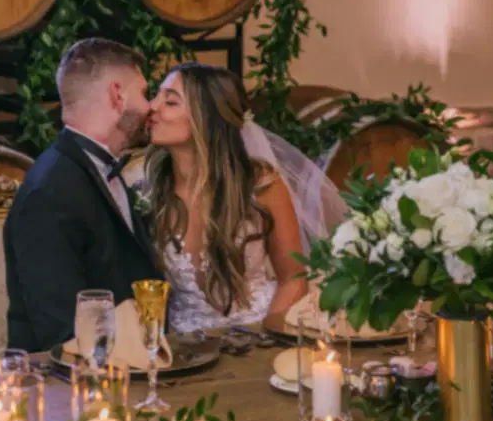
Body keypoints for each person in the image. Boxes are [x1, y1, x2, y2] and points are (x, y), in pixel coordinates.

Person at [144, 62, 347, 333]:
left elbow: (293, 278)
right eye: (157, 95)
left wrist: (265, 335)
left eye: (170, 101)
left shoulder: (261, 185)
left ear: (206, 118)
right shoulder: (149, 189)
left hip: (256, 334)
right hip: (185, 351)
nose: (152, 106)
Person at [3, 38, 162, 352]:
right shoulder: (48, 192)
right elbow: (62, 332)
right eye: (144, 93)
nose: (151, 107)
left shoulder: (95, 169)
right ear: (117, 95)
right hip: (70, 384)